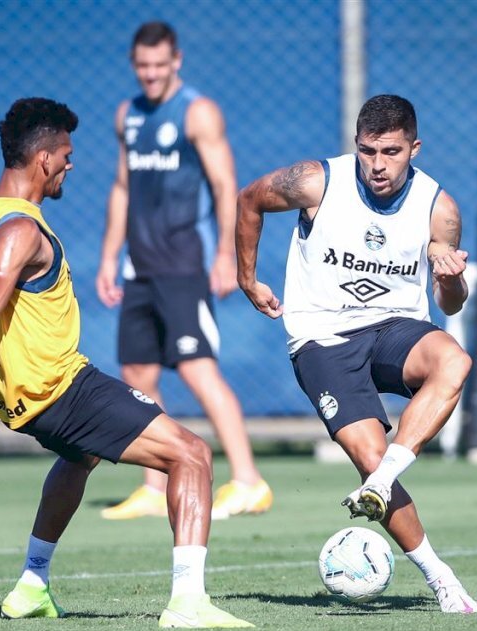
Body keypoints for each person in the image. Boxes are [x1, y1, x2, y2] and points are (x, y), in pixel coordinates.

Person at [0, 97, 252, 629]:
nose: (71, 163)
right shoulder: (20, 231)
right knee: (192, 455)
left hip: (18, 396)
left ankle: (31, 585)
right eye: (65, 154)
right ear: (43, 160)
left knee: (81, 456)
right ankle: (189, 603)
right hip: (58, 387)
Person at [235, 94, 477, 614]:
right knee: (369, 455)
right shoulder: (317, 182)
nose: (378, 165)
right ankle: (441, 578)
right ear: (356, 146)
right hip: (323, 337)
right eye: (368, 151)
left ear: (415, 148)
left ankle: (383, 481)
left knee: (455, 362)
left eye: (391, 152)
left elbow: (450, 306)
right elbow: (250, 199)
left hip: (394, 326)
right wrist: (247, 278)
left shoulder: (441, 209)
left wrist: (450, 277)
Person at [96, 21, 272, 521]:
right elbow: (122, 187)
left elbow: (225, 186)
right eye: (142, 67)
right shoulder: (127, 115)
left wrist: (225, 256)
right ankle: (153, 486)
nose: (151, 75)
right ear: (135, 65)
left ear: (177, 61)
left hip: (185, 264)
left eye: (160, 66)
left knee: (197, 370)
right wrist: (110, 256)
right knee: (137, 374)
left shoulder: (198, 112)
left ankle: (248, 480)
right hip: (139, 267)